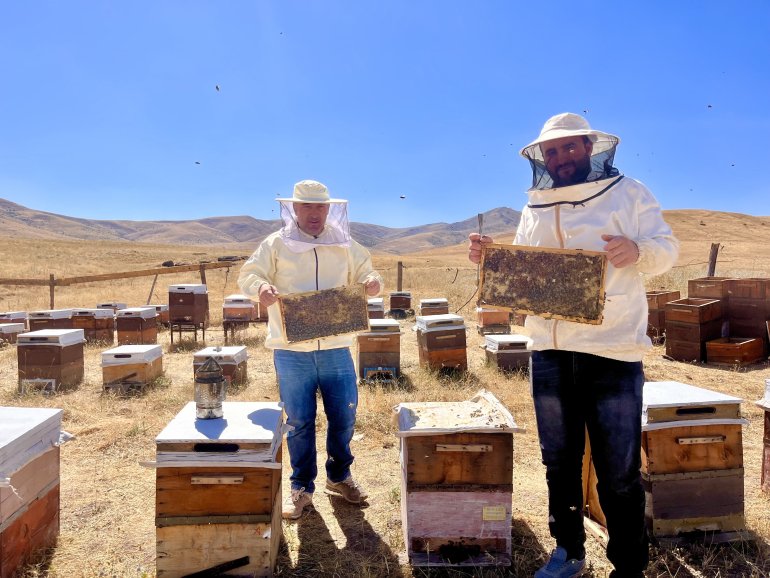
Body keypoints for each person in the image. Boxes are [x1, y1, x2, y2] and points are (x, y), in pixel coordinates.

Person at [468, 113, 679, 578]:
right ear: (542, 158)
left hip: (613, 351)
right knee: (558, 461)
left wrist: (637, 251)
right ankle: (568, 551)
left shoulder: (630, 192)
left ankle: (628, 564)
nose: (561, 158)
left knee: (618, 470)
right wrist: (492, 262)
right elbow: (525, 269)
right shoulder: (535, 206)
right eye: (553, 151)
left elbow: (667, 248)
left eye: (569, 148)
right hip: (549, 351)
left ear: (589, 147)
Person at [238, 179, 383, 520]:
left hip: (336, 348)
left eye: (320, 206)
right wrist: (260, 287)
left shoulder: (345, 244)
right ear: (294, 208)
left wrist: (374, 282)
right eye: (307, 206)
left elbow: (368, 272)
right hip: (291, 351)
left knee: (344, 416)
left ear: (330, 209)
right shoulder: (275, 244)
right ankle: (301, 487)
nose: (314, 213)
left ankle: (340, 475)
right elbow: (248, 274)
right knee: (299, 421)